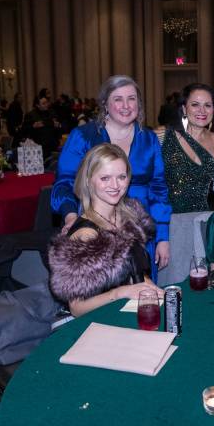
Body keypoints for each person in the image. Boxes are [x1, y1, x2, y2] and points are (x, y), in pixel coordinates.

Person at [51, 75, 171, 278]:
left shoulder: (149, 138)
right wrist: (71, 216)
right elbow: (64, 182)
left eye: (131, 99)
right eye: (118, 99)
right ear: (105, 104)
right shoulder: (83, 136)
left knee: (143, 287)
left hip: (141, 229)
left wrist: (162, 237)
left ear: (139, 104)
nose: (126, 106)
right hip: (97, 224)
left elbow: (158, 189)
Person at [48, 143, 163, 317]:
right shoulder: (86, 235)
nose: (115, 185)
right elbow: (77, 308)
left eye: (122, 177)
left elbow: (137, 272)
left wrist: (154, 291)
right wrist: (120, 293)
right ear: (88, 180)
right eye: (105, 178)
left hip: (130, 312)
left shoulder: (129, 218)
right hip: (100, 322)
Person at [161, 83, 214, 213]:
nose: (202, 110)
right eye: (195, 105)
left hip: (203, 218)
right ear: (184, 109)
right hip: (167, 217)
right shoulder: (164, 136)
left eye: (207, 105)